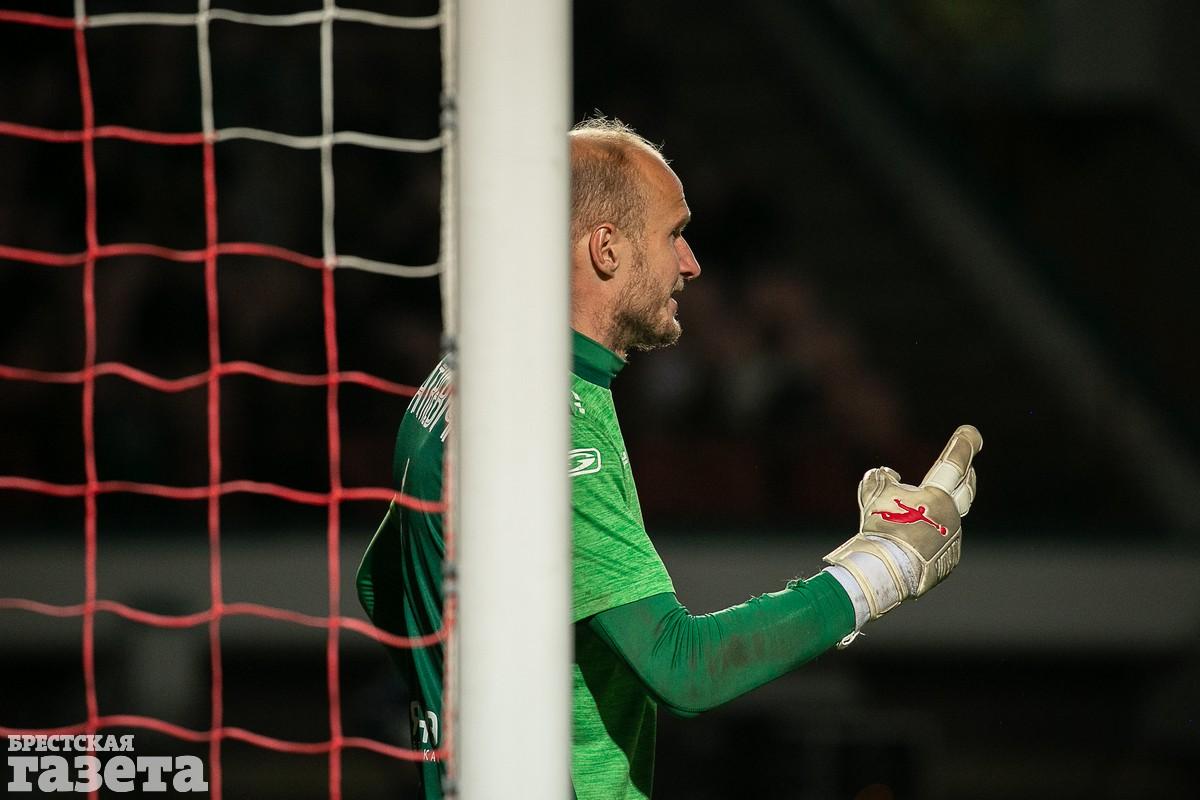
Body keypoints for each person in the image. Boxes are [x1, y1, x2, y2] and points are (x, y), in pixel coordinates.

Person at [355, 117, 982, 799]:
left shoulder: (455, 378)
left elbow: (383, 590)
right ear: (606, 249)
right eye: (673, 234)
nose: (691, 263)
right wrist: (886, 566)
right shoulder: (552, 425)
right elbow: (685, 669)